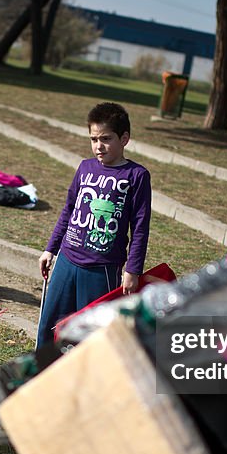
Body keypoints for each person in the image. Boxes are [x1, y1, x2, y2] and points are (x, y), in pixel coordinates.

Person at [36, 102, 152, 346]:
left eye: (106, 138)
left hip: (102, 269)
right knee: (51, 324)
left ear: (125, 138)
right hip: (67, 261)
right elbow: (68, 210)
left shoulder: (137, 176)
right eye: (93, 139)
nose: (99, 146)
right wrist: (51, 248)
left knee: (92, 334)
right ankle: (39, 373)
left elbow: (140, 226)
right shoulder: (85, 167)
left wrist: (133, 270)